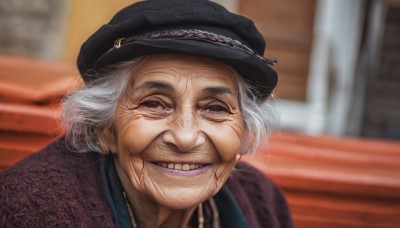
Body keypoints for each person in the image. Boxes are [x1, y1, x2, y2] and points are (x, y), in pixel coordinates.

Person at [0, 0, 293, 227]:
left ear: (242, 132)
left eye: (215, 108)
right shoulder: (29, 209)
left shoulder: (263, 203)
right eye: (154, 104)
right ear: (103, 129)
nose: (186, 137)